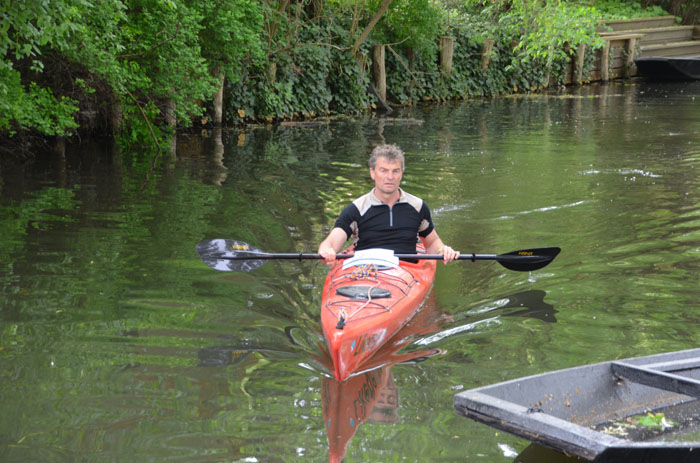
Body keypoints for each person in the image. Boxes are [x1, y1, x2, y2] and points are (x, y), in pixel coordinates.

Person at [318, 144, 460, 264]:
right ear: (373, 173)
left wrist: (443, 251)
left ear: (401, 174)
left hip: (407, 272)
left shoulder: (418, 207)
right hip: (366, 271)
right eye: (384, 170)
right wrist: (327, 251)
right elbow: (330, 243)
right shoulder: (356, 209)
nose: (390, 177)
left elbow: (432, 242)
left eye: (395, 171)